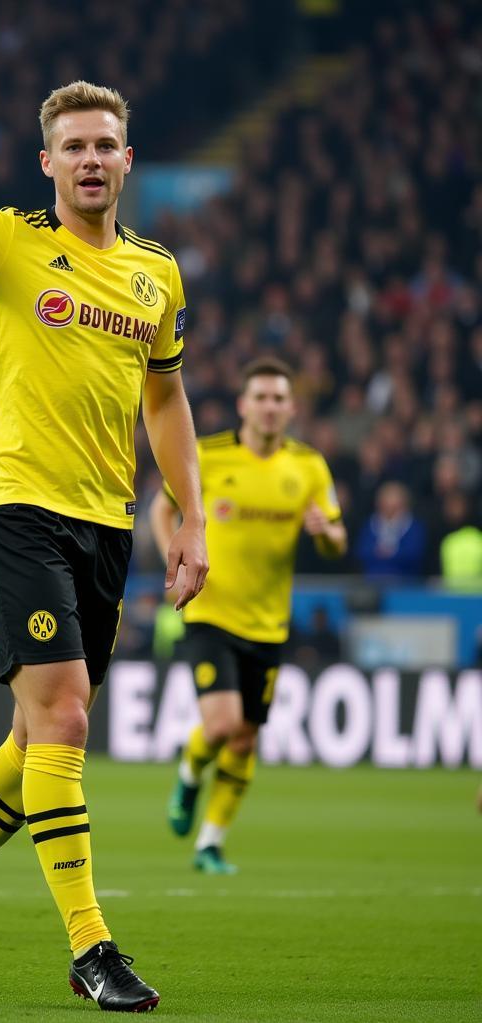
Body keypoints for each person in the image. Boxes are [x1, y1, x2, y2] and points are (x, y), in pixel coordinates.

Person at [0, 53, 208, 1012]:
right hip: (10, 506)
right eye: (73, 148)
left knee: (40, 733)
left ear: (128, 159)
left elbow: (168, 396)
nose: (90, 160)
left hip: (106, 524)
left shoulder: (156, 275)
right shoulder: (6, 243)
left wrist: (189, 513)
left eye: (105, 145)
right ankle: (91, 946)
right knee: (63, 716)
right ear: (47, 163)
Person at [150, 356, 346, 875]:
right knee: (222, 724)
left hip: (269, 623)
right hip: (209, 611)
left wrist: (325, 534)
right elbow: (161, 508)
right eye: (260, 396)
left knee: (246, 737)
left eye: (279, 398)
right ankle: (190, 775)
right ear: (243, 405)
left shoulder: (308, 467)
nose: (269, 406)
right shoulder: (209, 456)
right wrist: (173, 562)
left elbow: (337, 541)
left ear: (291, 408)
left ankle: (209, 844)